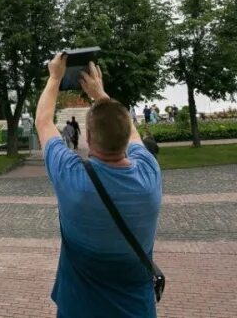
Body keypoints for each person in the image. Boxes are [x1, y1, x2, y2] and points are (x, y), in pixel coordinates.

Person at [37, 53, 162, 317]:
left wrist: (55, 78)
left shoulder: (73, 179)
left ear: (89, 138)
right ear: (126, 136)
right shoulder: (149, 174)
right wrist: (100, 94)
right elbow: (131, 131)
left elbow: (43, 123)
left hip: (79, 307)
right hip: (136, 308)